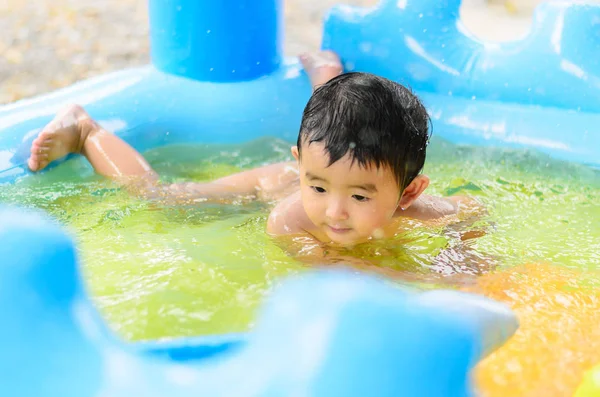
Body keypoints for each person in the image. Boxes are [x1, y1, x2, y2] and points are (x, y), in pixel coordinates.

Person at [27, 51, 486, 280]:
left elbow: (473, 213)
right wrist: (417, 277)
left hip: (324, 160)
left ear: (408, 194)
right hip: (275, 183)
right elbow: (339, 272)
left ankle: (328, 78)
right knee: (164, 200)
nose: (335, 212)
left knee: (337, 135)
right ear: (300, 168)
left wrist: (461, 257)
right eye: (320, 189)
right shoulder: (290, 219)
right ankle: (87, 131)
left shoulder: (421, 210)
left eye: (361, 197)